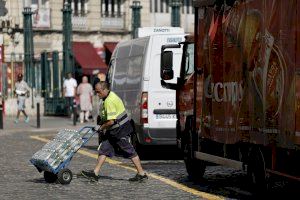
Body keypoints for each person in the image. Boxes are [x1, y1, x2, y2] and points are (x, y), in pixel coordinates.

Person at [81, 82, 148, 182]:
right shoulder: (109, 96)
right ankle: (95, 173)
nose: (97, 95)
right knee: (104, 149)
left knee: (130, 151)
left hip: (120, 130)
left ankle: (141, 173)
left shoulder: (110, 101)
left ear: (104, 90)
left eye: (99, 92)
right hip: (115, 130)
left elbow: (111, 121)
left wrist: (100, 127)